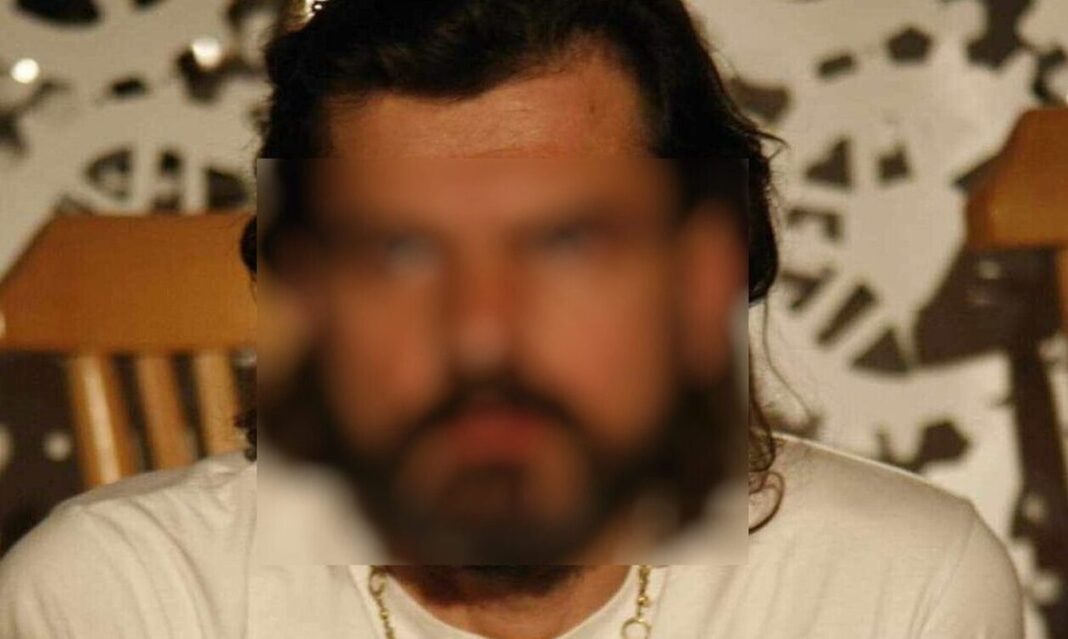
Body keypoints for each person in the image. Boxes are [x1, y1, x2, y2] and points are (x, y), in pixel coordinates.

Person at [0, 1, 1023, 637]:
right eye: (398, 253)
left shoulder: (898, 592)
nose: (481, 334)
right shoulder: (118, 601)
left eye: (568, 245)